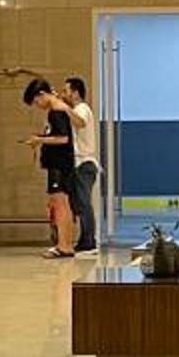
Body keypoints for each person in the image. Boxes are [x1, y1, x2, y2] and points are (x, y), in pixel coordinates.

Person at [22, 77, 78, 258]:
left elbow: (63, 138)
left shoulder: (56, 111)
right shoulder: (57, 109)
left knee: (60, 205)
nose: (37, 105)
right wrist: (40, 139)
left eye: (36, 101)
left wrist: (40, 140)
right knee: (61, 204)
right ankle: (65, 244)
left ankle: (64, 246)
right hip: (59, 164)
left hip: (59, 165)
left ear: (41, 94)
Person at [63, 77, 100, 254]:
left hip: (84, 163)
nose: (64, 94)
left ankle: (89, 242)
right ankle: (85, 239)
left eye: (66, 91)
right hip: (78, 163)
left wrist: (64, 108)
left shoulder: (82, 109)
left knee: (84, 203)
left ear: (75, 93)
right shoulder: (75, 109)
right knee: (79, 203)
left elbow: (80, 122)